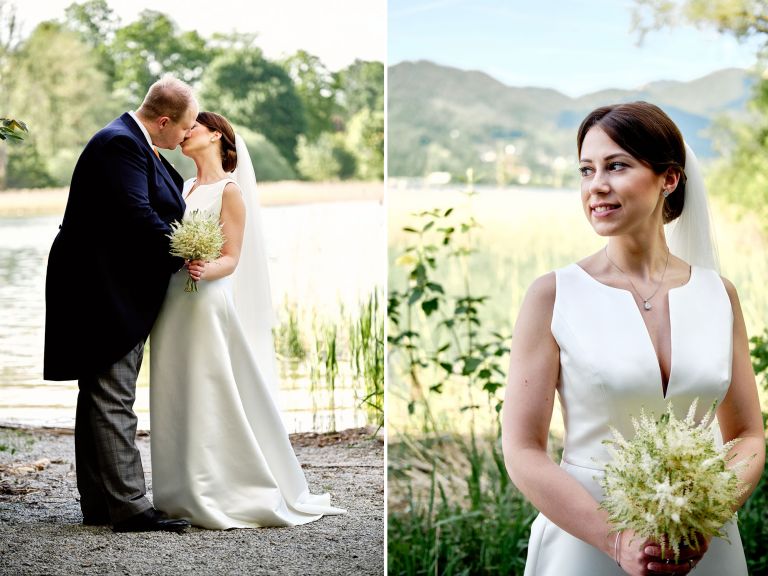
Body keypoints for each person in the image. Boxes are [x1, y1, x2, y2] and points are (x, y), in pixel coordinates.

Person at [501, 102, 765, 575]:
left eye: (616, 166)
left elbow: (747, 435)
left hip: (703, 547)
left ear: (669, 178)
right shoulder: (554, 295)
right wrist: (616, 539)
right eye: (586, 170)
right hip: (586, 542)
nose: (596, 185)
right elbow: (521, 449)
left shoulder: (718, 295)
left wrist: (704, 519)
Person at [149, 111, 346, 529]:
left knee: (209, 390)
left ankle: (218, 488)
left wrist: (205, 268)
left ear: (216, 135)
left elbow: (232, 258)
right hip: (173, 303)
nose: (184, 135)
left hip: (205, 300)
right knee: (174, 389)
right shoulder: (183, 187)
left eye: (193, 129)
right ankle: (178, 490)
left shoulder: (230, 191)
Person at [44, 75, 198, 532]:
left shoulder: (134, 143)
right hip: (101, 290)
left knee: (98, 394)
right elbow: (135, 214)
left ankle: (99, 503)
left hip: (108, 285)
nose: (186, 135)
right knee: (114, 394)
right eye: (184, 127)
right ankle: (131, 508)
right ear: (164, 120)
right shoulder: (119, 143)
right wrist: (186, 246)